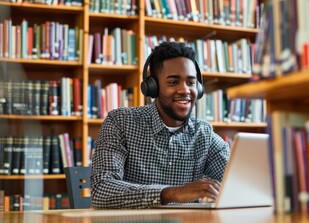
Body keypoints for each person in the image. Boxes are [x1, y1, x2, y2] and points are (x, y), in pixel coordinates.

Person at [90, 41, 230, 209]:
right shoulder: (120, 122)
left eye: (191, 83)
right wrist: (172, 193)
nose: (185, 90)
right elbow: (101, 190)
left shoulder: (204, 134)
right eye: (173, 82)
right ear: (152, 87)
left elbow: (237, 184)